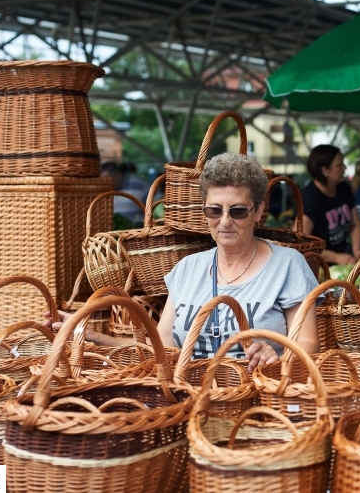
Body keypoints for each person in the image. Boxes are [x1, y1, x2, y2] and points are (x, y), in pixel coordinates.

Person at [48, 153, 320, 370]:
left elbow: (309, 343)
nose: (224, 221)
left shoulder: (288, 265)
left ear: (259, 210)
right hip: (188, 400)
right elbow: (162, 348)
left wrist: (279, 355)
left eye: (237, 211)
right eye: (214, 210)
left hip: (261, 396)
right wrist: (89, 333)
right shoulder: (188, 269)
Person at [301, 145, 360, 265]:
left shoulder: (343, 188)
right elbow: (300, 245)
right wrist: (335, 257)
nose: (344, 168)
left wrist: (356, 250)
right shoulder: (311, 198)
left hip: (343, 259)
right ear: (325, 170)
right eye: (339, 165)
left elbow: (356, 223)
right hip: (318, 267)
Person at [101, 161, 151, 225]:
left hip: (139, 231)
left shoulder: (138, 185)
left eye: (107, 179)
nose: (105, 184)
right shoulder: (103, 190)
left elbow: (155, 203)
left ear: (117, 174)